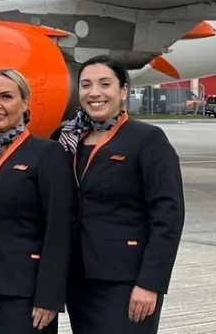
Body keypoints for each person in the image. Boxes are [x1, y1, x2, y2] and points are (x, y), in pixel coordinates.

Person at [50, 55, 185, 334]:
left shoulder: (147, 140)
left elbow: (168, 216)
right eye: (86, 85)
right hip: (78, 279)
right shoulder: (64, 140)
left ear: (123, 91)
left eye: (105, 84)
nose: (94, 92)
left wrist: (150, 283)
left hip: (126, 282)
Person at [0, 69, 74, 334]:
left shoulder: (47, 153)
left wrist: (49, 297)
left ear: (25, 103)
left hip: (26, 293)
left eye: (6, 97)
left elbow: (59, 228)